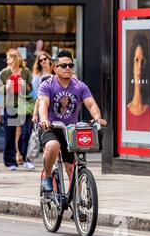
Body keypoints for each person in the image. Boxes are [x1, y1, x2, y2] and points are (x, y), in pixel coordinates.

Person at [38, 50, 107, 192]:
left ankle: (78, 203)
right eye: (63, 66)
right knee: (53, 146)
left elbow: (91, 104)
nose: (68, 68)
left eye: (70, 65)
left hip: (71, 131)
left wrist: (97, 118)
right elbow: (43, 104)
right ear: (55, 68)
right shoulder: (47, 85)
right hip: (51, 127)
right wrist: (44, 119)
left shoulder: (80, 86)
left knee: (72, 168)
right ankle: (47, 175)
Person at [0, 48, 34, 171]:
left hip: (24, 106)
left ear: (15, 59)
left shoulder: (26, 72)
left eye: (9, 58)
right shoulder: (4, 73)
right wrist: (7, 87)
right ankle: (10, 161)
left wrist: (24, 85)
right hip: (10, 106)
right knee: (9, 134)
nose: (7, 60)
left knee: (26, 133)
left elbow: (30, 89)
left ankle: (25, 158)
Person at [126, 32, 150, 132]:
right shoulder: (123, 113)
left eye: (143, 61)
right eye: (136, 60)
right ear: (132, 65)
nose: (139, 67)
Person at [31, 51, 55, 123]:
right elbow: (38, 96)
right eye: (40, 60)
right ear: (39, 63)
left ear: (49, 59)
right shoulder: (37, 78)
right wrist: (35, 113)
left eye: (45, 59)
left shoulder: (55, 73)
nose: (43, 61)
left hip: (55, 105)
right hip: (42, 105)